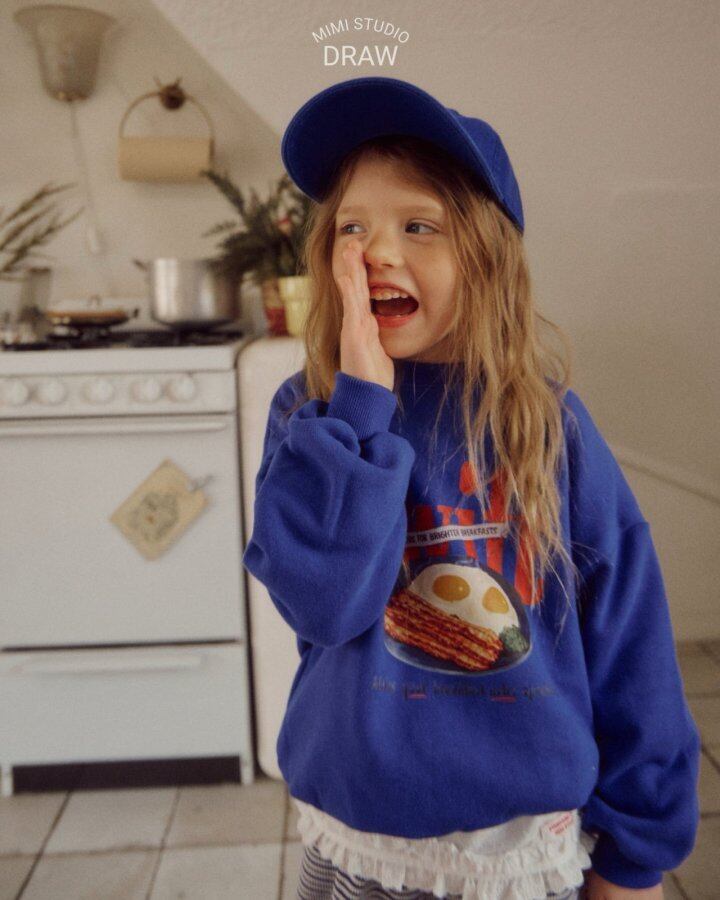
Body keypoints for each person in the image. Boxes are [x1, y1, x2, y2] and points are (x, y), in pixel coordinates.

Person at [242, 77, 701, 900]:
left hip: (517, 857)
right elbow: (325, 606)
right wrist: (361, 404)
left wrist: (637, 854)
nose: (377, 252)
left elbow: (632, 642)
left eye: (418, 226)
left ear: (487, 257)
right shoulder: (311, 418)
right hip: (356, 838)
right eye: (352, 227)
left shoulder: (548, 426)